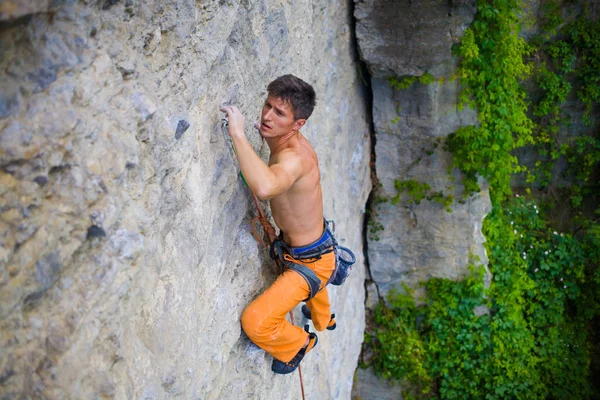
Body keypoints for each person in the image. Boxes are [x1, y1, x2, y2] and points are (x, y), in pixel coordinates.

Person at [220, 74, 337, 374]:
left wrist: (238, 134)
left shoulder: (294, 158)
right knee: (317, 277)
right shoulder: (289, 142)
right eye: (268, 105)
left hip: (310, 263)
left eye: (280, 113)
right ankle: (324, 317)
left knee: (256, 322)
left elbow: (266, 187)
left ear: (298, 124)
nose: (267, 116)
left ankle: (300, 343)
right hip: (314, 248)